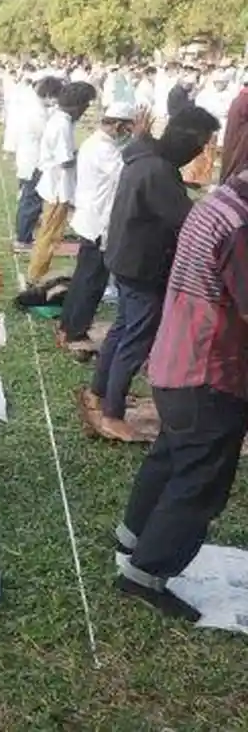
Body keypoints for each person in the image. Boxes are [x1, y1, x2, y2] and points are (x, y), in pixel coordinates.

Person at [114, 166, 248, 622]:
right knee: (200, 479)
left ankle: (132, 536)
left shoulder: (219, 201)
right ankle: (145, 573)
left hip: (178, 357)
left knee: (171, 454)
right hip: (211, 369)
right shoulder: (240, 223)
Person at [86, 106, 222, 442]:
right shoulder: (157, 171)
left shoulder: (144, 154)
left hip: (125, 258)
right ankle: (112, 413)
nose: (201, 152)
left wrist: (143, 134)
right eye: (202, 144)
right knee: (136, 339)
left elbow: (142, 146)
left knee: (122, 330)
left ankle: (99, 392)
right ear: (185, 139)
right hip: (142, 265)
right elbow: (189, 221)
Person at [57, 103, 141, 355]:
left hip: (93, 220)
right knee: (91, 281)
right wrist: (139, 141)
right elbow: (125, 172)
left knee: (84, 278)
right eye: (126, 128)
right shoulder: (102, 149)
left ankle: (68, 326)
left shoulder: (102, 144)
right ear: (116, 125)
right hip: (97, 223)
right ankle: (75, 332)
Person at [27, 81, 96, 283]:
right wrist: (85, 155)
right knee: (50, 235)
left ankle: (37, 271)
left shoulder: (61, 119)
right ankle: (36, 274)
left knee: (49, 233)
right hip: (58, 187)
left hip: (56, 184)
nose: (85, 111)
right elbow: (65, 161)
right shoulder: (62, 124)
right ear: (77, 105)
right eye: (85, 106)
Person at [13, 77, 63, 249]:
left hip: (31, 158)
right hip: (34, 160)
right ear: (49, 94)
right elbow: (47, 135)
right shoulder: (36, 112)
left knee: (28, 199)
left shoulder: (37, 107)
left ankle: (24, 234)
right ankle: (23, 238)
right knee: (31, 201)